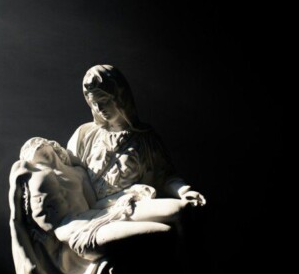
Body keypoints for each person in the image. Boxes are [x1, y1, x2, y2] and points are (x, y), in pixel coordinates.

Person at [9, 137, 190, 274]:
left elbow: (95, 204)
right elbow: (16, 221)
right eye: (35, 152)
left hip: (98, 216)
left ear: (52, 146)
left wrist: (128, 193)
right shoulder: (26, 170)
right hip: (77, 232)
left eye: (43, 146)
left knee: (179, 210)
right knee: (164, 233)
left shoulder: (77, 172)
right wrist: (28, 262)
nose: (39, 151)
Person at [67, 64, 206, 206]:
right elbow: (67, 174)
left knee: (176, 210)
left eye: (103, 100)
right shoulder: (85, 135)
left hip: (134, 206)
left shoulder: (146, 139)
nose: (99, 108)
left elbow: (165, 178)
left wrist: (184, 192)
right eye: (94, 103)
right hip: (93, 208)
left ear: (120, 98)